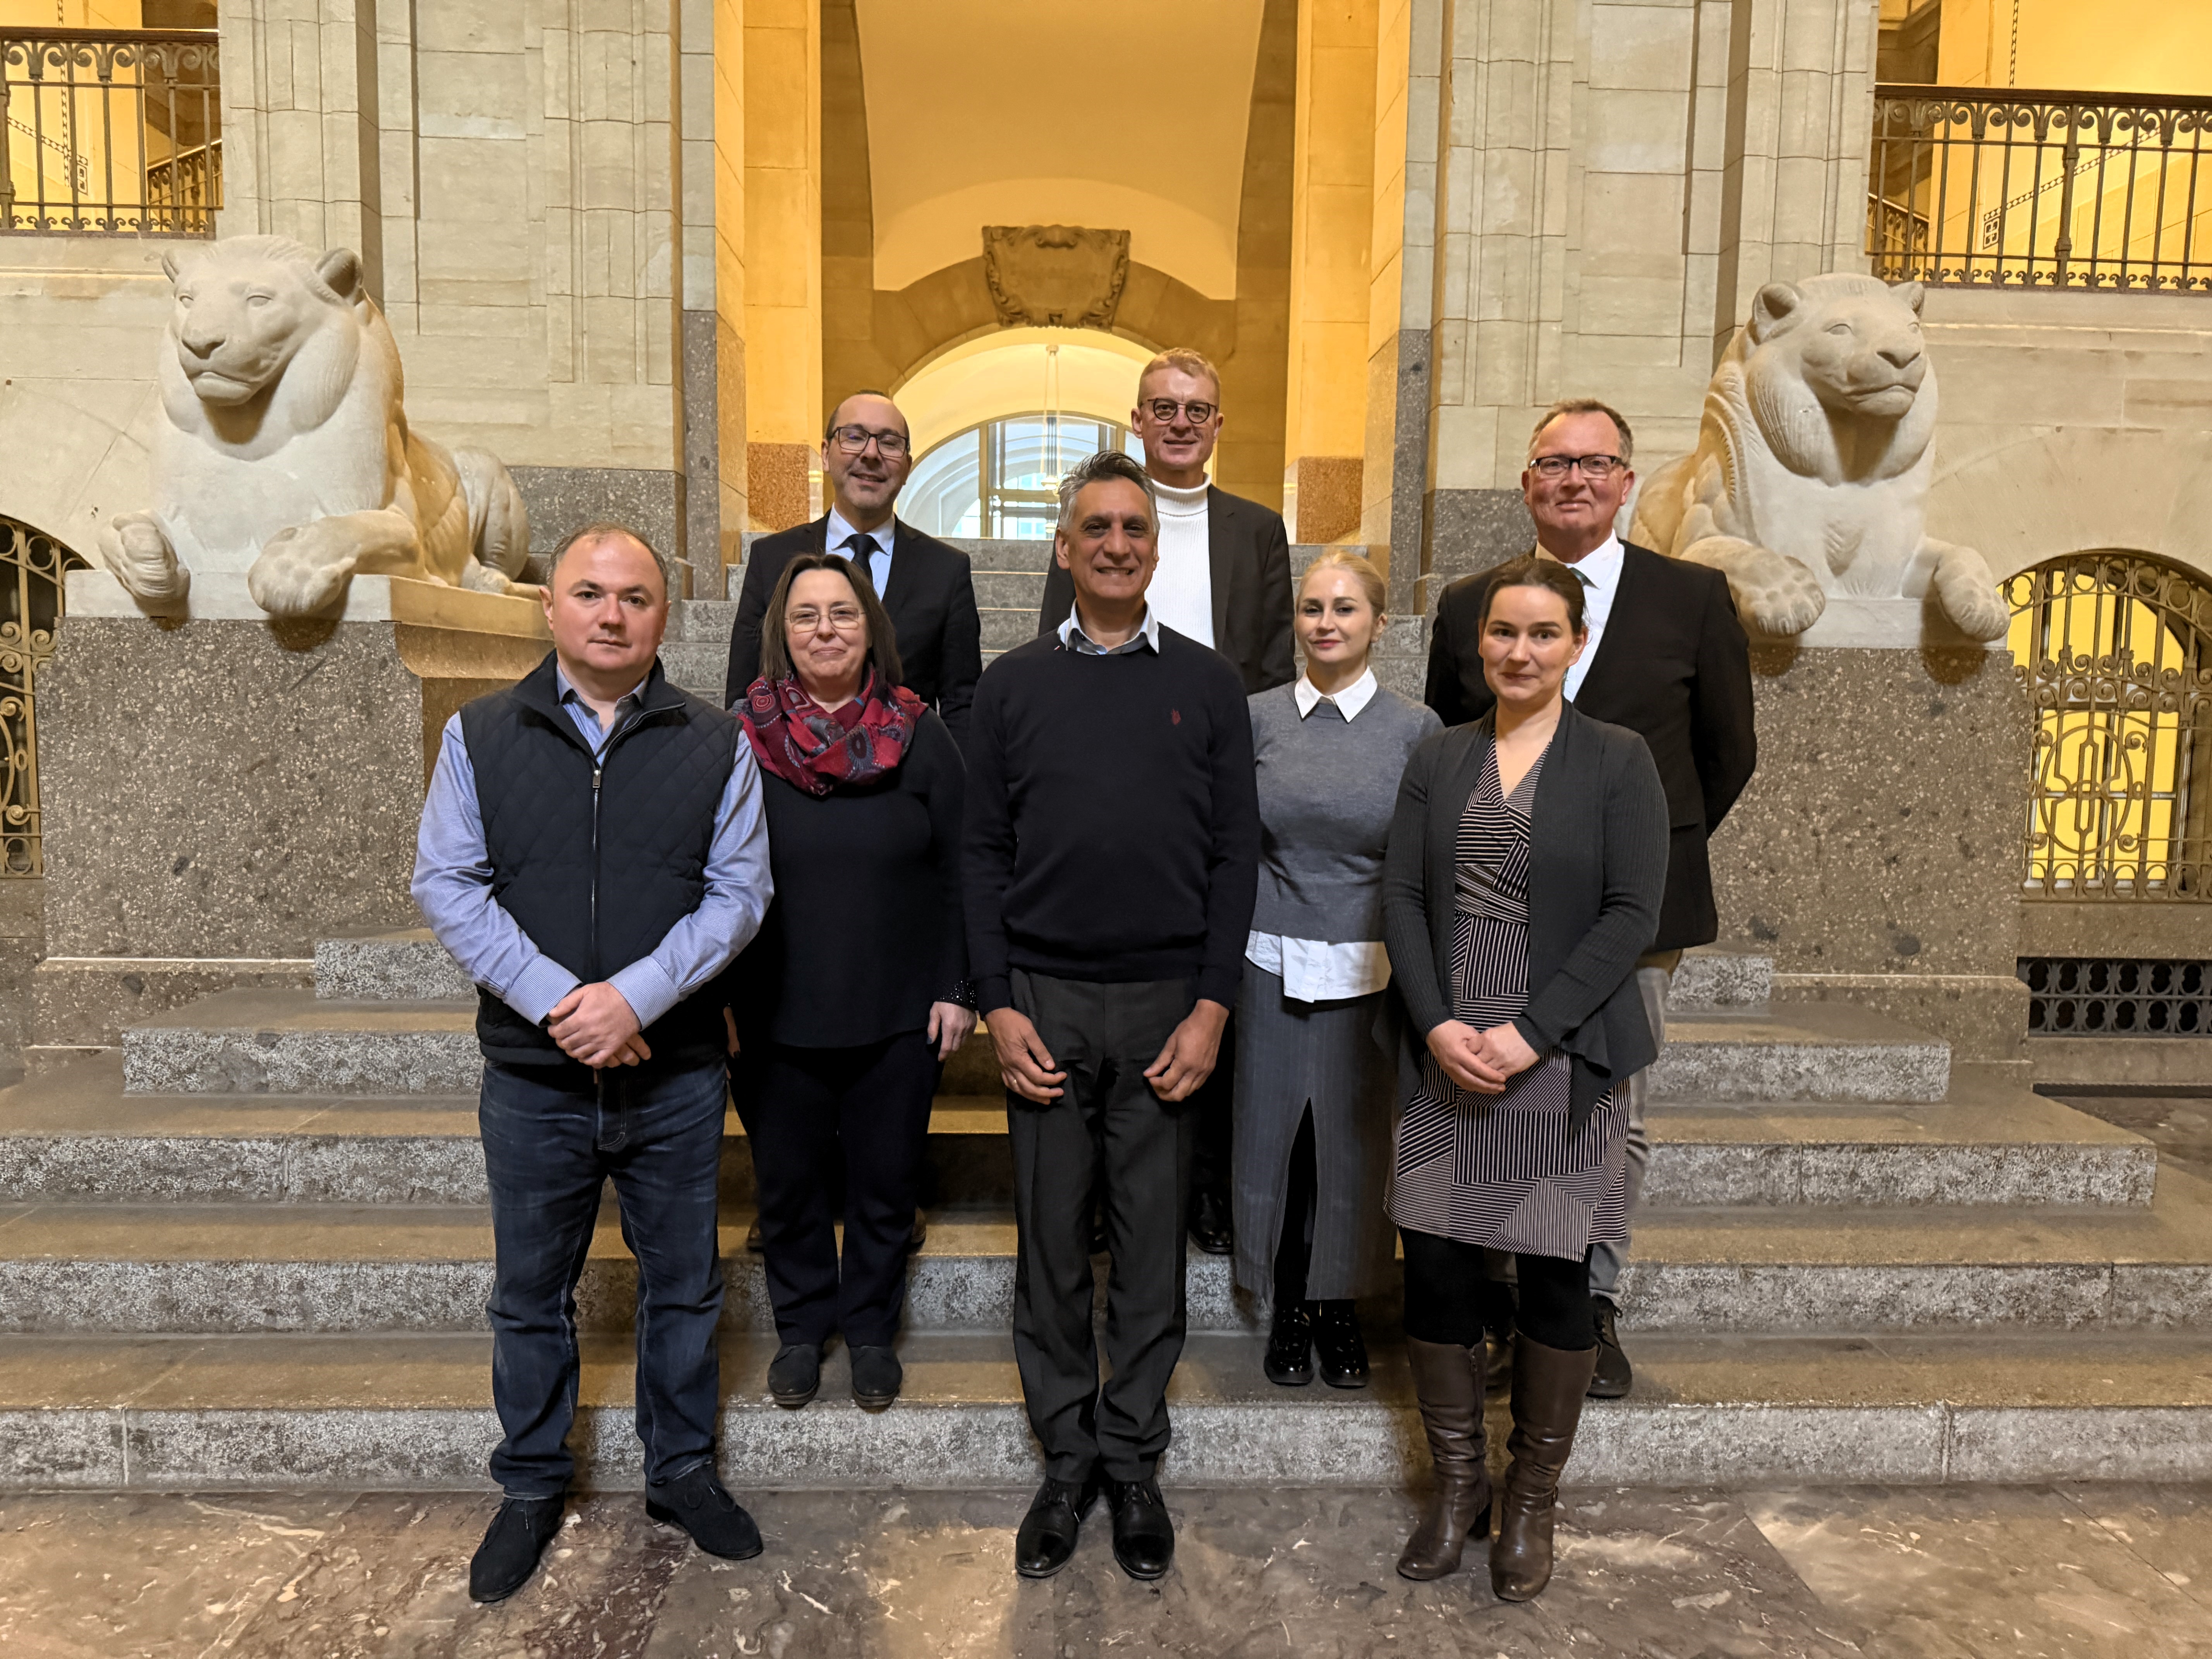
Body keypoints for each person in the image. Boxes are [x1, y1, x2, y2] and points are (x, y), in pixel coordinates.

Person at [413, 523, 773, 1604]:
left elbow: (740, 892)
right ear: (550, 605)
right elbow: (448, 884)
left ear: (663, 615)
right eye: (589, 593)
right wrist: (561, 1003)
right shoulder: (480, 733)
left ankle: (681, 1472)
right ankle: (531, 1483)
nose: (611, 614)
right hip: (535, 1078)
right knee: (530, 1294)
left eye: (634, 597)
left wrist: (636, 999)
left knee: (685, 1286)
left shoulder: (718, 741)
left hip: (675, 1075)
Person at [1422, 397, 1755, 1397]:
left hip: (1633, 918)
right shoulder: (1469, 603)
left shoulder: (1692, 598)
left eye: (1594, 463)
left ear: (1627, 482)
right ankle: (1497, 1296)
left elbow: (1728, 752)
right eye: (1554, 464)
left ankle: (1589, 1301)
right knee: (1495, 1097)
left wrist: (1634, 860)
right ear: (1527, 483)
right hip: (1495, 908)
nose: (1574, 479)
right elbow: (1449, 749)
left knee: (1612, 1108)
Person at [967, 449, 1259, 1583]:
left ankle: (1133, 1461)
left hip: (1163, 1006)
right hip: (1041, 999)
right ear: (1063, 546)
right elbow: (980, 854)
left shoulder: (1210, 685)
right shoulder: (1010, 687)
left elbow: (1234, 857)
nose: (1116, 544)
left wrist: (1211, 1007)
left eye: (1134, 528)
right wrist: (996, 1006)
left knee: (1147, 1244)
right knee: (1051, 1245)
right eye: (1095, 527)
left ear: (1154, 546)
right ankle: (1066, 1459)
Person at [1383, 556, 1667, 1603]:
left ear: (1576, 644)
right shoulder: (1440, 756)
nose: (1520, 651)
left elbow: (1633, 914)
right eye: (1504, 631)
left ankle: (1531, 1498)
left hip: (1563, 1049)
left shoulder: (1619, 759)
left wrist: (1534, 1033)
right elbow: (1403, 899)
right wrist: (1437, 1023)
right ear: (1479, 641)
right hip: (1448, 1042)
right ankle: (1457, 1486)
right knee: (1437, 1268)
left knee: (1553, 1273)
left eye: (1544, 633)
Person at [1037, 347, 1296, 1259]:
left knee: (1210, 988)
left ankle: (1207, 1185)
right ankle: (1102, 1191)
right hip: (1109, 783)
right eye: (1163, 407)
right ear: (1137, 421)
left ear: (1218, 424)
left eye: (1197, 408)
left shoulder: (1258, 530)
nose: (1180, 422)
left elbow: (1275, 664)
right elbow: (1057, 648)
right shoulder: (1099, 520)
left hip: (1211, 778)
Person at [726, 551, 973, 1414]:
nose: (824, 629)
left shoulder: (921, 732)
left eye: (842, 612)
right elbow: (704, 875)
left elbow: (963, 867)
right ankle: (801, 1328)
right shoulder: (739, 738)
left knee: (885, 1183)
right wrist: (716, 995)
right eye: (806, 615)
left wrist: (956, 985)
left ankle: (869, 1330)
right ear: (780, 632)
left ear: (871, 629)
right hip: (771, 1008)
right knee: (787, 1184)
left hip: (899, 1010)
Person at [1235, 551, 1438, 1392]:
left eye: (1345, 608)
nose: (1326, 623)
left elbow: (1420, 856)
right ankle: (1288, 1300)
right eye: (1313, 607)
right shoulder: (1257, 718)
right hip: (1268, 955)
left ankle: (1340, 1305)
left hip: (1371, 962)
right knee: (1275, 1138)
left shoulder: (1414, 728)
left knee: (1355, 1144)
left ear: (1380, 624)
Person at [726, 390, 983, 752]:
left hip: (906, 775)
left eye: (889, 443)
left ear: (907, 467)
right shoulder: (771, 559)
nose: (871, 454)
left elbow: (962, 704)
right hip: (789, 773)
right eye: (854, 436)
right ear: (826, 454)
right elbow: (744, 692)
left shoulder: (946, 570)